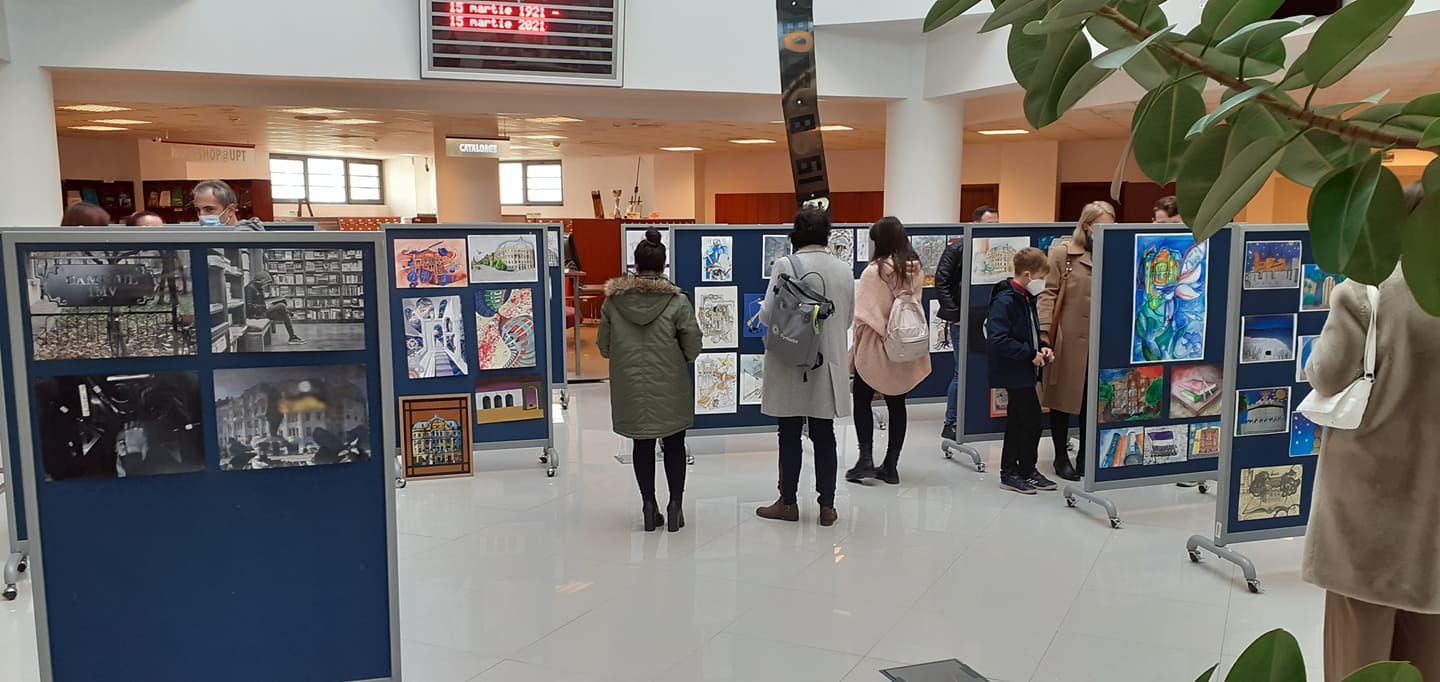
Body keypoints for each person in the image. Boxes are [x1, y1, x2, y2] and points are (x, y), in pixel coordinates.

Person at [1304, 182, 1440, 682]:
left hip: (1367, 498)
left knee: (1357, 649)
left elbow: (1326, 373)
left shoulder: (1367, 292)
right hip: (1433, 506)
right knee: (1428, 642)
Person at [597, 230, 702, 532]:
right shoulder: (677, 301)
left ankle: (648, 504)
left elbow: (604, 346)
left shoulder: (613, 303)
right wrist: (680, 359)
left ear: (635, 265)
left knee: (641, 444)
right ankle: (675, 506)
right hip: (670, 382)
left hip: (630, 384)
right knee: (675, 443)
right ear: (664, 265)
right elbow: (693, 343)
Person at [756, 208, 855, 527]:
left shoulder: (786, 265)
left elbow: (768, 315)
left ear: (795, 233)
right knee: (824, 434)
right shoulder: (843, 269)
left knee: (788, 433)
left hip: (791, 361)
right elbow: (848, 319)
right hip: (826, 363)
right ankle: (827, 507)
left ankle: (787, 502)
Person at [845, 216, 931, 485]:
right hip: (904, 343)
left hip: (876, 343)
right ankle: (891, 466)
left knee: (862, 397)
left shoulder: (874, 272)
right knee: (897, 401)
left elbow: (865, 313)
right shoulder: (914, 268)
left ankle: (865, 459)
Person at [1038, 200, 1115, 482]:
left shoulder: (1116, 254)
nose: (1107, 232)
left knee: (1093, 400)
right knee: (1063, 398)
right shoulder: (1063, 254)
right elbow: (1048, 294)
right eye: (1102, 227)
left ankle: (1086, 454)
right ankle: (1060, 455)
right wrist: (1044, 332)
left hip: (1102, 339)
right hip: (1068, 338)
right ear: (1087, 226)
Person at [987, 247, 1054, 494]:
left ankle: (1022, 470)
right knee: (1031, 421)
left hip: (1023, 370)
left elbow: (1030, 332)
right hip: (1013, 371)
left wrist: (1042, 346)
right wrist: (1029, 354)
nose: (1042, 283)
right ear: (1027, 274)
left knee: (1019, 421)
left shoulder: (1026, 298)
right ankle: (1015, 471)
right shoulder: (1006, 300)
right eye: (1040, 277)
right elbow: (998, 338)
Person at [935, 206, 998, 440]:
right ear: (975, 224)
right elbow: (941, 282)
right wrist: (956, 315)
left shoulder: (998, 249)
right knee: (961, 371)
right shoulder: (957, 249)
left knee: (984, 369)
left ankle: (975, 420)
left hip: (990, 320)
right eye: (990, 224)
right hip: (963, 321)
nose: (995, 229)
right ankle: (951, 422)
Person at [245, 271, 305, 345]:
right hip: (256, 315)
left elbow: (261, 301)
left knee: (285, 315)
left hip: (263, 312)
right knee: (281, 305)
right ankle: (291, 314)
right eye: (266, 282)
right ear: (261, 280)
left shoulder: (258, 287)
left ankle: (292, 337)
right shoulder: (250, 288)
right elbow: (249, 307)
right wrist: (265, 306)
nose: (266, 284)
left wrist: (270, 302)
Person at [193, 180, 265, 230]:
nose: (201, 216)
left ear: (230, 210)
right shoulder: (205, 237)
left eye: (209, 209)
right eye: (198, 210)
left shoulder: (247, 238)